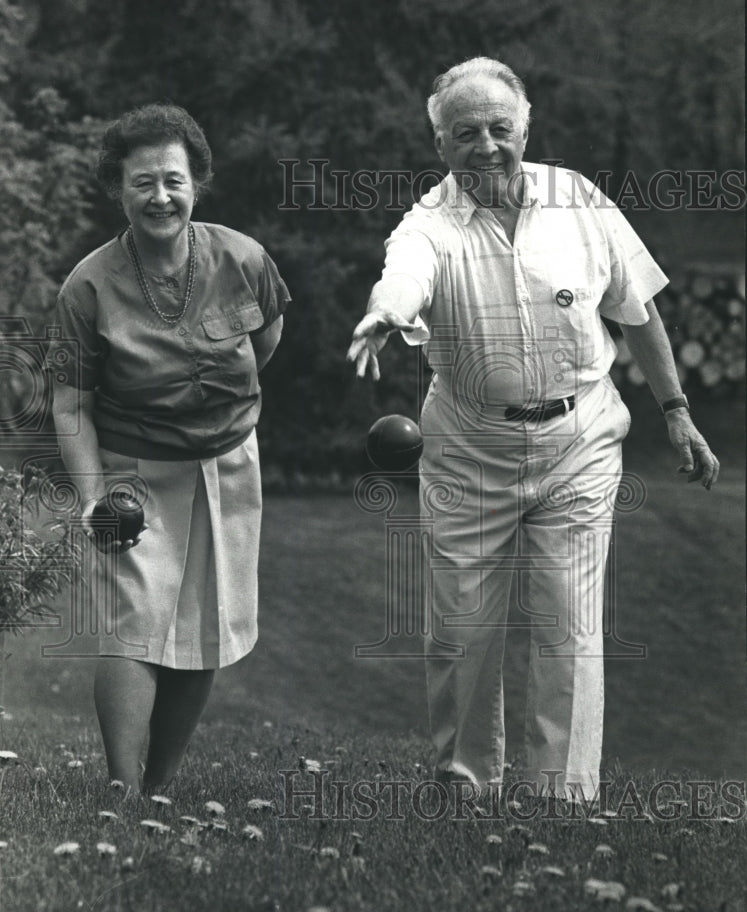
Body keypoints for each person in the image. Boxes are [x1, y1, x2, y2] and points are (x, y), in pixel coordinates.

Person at [346, 57, 719, 800]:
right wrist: (388, 310)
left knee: (568, 624)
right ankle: (466, 783)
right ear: (439, 145)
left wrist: (675, 410)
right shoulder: (429, 223)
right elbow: (407, 269)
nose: (484, 146)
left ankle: (562, 797)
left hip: (577, 442)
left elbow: (635, 311)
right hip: (465, 450)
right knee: (460, 631)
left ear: (525, 126)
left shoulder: (579, 200)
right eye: (463, 134)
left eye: (498, 128)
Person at [47, 104, 290, 792]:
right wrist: (96, 500)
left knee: (204, 628)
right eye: (143, 183)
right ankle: (124, 795)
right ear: (118, 190)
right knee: (132, 625)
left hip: (227, 466)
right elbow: (70, 405)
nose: (160, 197)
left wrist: (218, 412)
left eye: (173, 181)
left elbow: (265, 338)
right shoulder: (86, 287)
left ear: (196, 183)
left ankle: (159, 786)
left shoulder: (243, 259)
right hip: (133, 475)